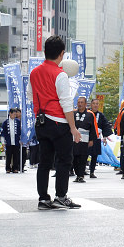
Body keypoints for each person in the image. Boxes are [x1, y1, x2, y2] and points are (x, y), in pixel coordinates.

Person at [30, 36, 82, 210]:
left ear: (45, 52)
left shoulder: (34, 72)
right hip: (59, 122)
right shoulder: (60, 74)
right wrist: (73, 128)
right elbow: (66, 102)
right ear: (62, 54)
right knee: (64, 160)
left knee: (44, 162)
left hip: (41, 121)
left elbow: (30, 95)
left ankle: (43, 199)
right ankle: (61, 196)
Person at [71, 97, 96, 183]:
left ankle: (81, 175)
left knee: (83, 158)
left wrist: (91, 139)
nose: (80, 104)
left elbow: (92, 128)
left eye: (82, 102)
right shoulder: (73, 113)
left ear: (85, 104)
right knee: (74, 157)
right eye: (78, 102)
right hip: (74, 139)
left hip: (85, 139)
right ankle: (77, 174)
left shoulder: (90, 115)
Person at [87, 101, 112, 178]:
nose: (95, 105)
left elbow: (106, 126)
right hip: (86, 137)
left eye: (97, 104)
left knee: (94, 155)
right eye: (94, 103)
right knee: (83, 155)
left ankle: (92, 172)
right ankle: (80, 171)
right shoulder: (87, 113)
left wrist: (104, 137)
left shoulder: (101, 115)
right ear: (91, 104)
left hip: (97, 138)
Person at [1, 108, 22, 174]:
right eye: (13, 114)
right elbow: (3, 133)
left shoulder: (18, 122)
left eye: (15, 114)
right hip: (8, 142)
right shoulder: (5, 122)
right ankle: (8, 168)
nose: (14, 115)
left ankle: (15, 168)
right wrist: (3, 142)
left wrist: (21, 140)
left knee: (16, 155)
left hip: (16, 141)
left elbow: (21, 132)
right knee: (8, 155)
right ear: (10, 113)